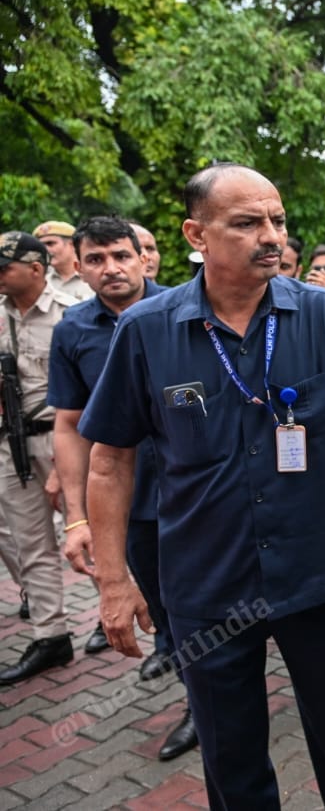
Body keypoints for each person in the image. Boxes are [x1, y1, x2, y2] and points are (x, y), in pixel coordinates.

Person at [78, 163, 325, 809]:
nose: (271, 235)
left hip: (316, 575)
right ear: (197, 233)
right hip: (206, 585)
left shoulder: (320, 313)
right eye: (247, 222)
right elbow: (109, 462)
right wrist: (113, 579)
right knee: (233, 767)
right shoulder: (146, 331)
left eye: (278, 220)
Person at [47, 216, 197, 760]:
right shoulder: (72, 331)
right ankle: (194, 693)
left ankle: (207, 703)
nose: (111, 268)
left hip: (200, 491)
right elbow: (69, 426)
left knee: (207, 604)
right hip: (132, 502)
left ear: (143, 257)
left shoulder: (185, 310)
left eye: (121, 256)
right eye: (96, 259)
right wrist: (77, 518)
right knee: (161, 603)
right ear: (79, 266)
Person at [0, 232, 81, 684]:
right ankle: (51, 635)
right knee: (31, 544)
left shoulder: (72, 314)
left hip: (65, 440)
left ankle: (131, 615)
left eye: (4, 266)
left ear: (35, 268)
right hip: (12, 443)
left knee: (95, 537)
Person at [33, 220, 94, 302]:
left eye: (50, 244)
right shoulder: (40, 281)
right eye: (41, 246)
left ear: (72, 245)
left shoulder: (92, 275)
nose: (45, 250)